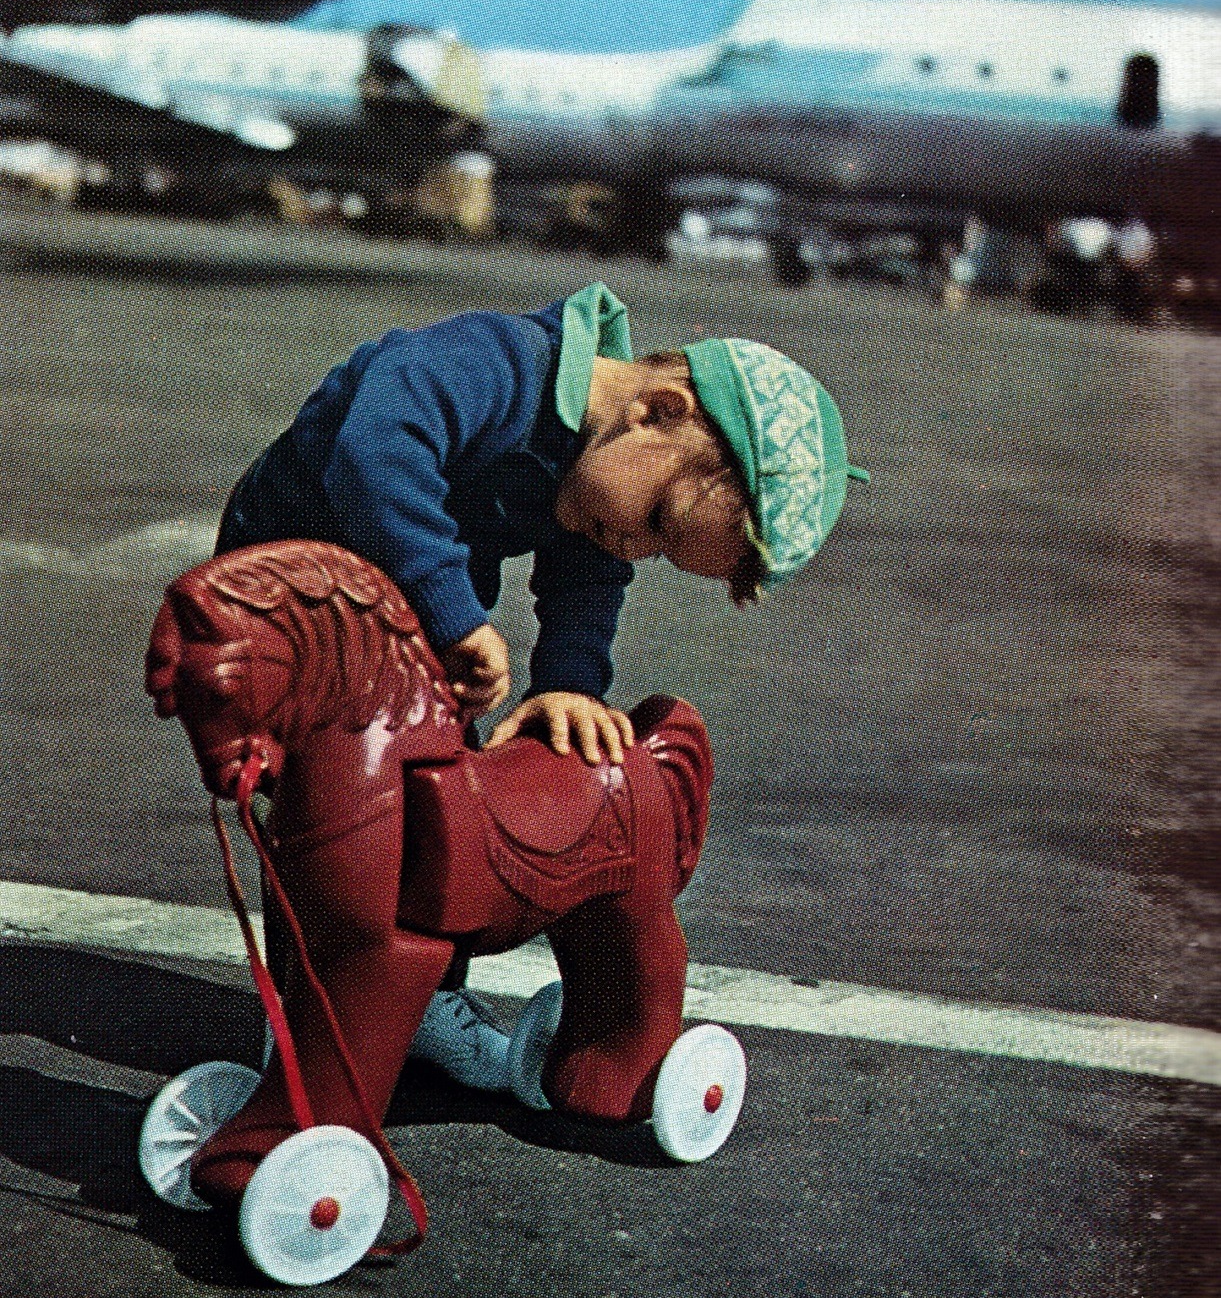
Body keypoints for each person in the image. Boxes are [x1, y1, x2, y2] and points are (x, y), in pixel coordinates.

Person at [216, 282, 867, 1089]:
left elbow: (588, 581)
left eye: (659, 551)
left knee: (422, 822)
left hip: (400, 636)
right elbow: (376, 450)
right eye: (658, 521)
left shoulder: (597, 476)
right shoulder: (496, 365)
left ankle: (413, 1001)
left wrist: (569, 685)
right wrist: (453, 610)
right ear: (656, 411)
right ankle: (315, 1012)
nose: (633, 548)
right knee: (334, 823)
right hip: (283, 602)